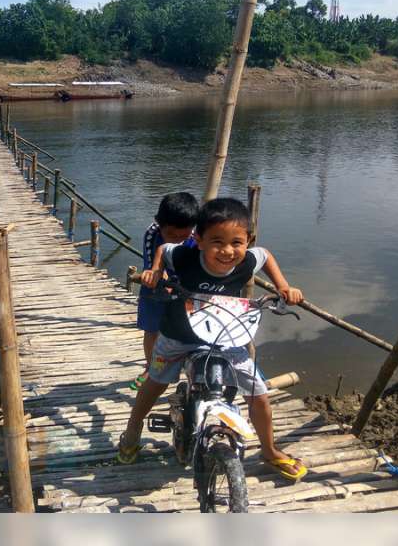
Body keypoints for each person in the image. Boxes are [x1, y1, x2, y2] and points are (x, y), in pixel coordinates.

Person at [118, 197, 308, 482]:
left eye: (237, 242)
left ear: (248, 240)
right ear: (199, 239)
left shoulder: (247, 261)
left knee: (258, 392)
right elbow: (164, 248)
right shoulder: (184, 257)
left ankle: (269, 450)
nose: (227, 251)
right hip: (178, 333)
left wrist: (283, 287)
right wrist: (156, 271)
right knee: (155, 380)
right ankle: (131, 433)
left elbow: (265, 255)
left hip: (226, 334)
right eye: (217, 241)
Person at [131, 192, 199, 391]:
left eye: (182, 235)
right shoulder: (153, 233)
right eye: (171, 235)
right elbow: (154, 263)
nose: (177, 240)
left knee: (188, 330)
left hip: (184, 287)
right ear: (159, 224)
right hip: (156, 284)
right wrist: (156, 276)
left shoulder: (197, 236)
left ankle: (187, 368)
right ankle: (151, 368)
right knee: (152, 330)